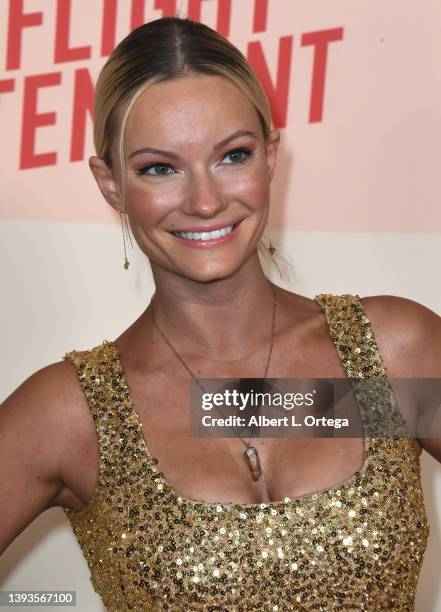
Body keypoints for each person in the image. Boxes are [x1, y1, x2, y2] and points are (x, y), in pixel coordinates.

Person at [1, 15, 441, 611]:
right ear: (110, 184)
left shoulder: (393, 354)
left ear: (270, 157)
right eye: (160, 168)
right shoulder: (69, 415)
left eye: (232, 155)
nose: (205, 201)